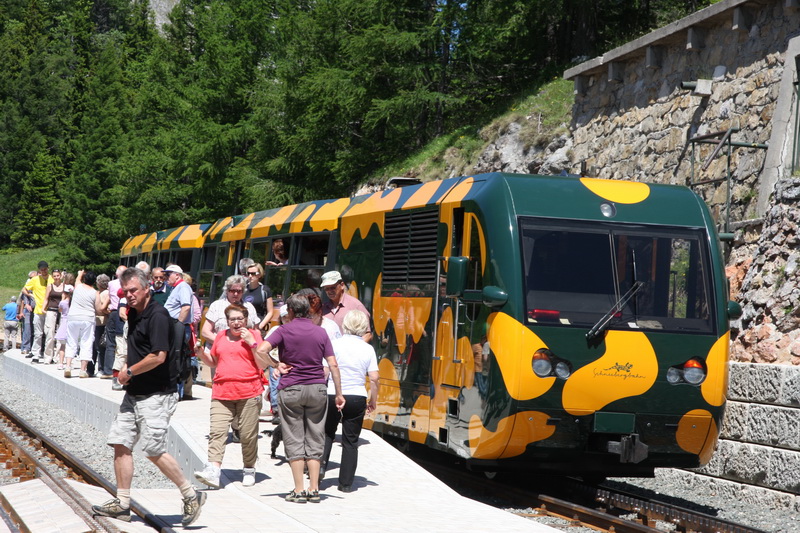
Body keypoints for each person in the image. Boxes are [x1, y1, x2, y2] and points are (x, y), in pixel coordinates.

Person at [91, 267, 206, 526]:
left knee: (154, 450)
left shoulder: (158, 315)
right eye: (126, 291)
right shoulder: (134, 311)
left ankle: (191, 494)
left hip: (157, 394)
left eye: (134, 290)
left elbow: (159, 356)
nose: (129, 295)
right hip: (134, 392)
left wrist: (128, 371)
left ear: (147, 289)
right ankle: (122, 504)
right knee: (120, 443)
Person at [254, 294, 345, 504]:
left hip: (292, 389)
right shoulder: (320, 332)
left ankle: (298, 490)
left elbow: (261, 350)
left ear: (291, 312)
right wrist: (338, 393)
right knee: (315, 437)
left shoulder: (284, 330)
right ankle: (315, 489)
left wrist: (277, 365)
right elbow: (333, 365)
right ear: (309, 311)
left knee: (294, 438)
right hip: (317, 390)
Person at [193, 304, 264, 489]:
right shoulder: (221, 337)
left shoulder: (254, 335)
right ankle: (213, 471)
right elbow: (214, 361)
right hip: (222, 392)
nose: (236, 322)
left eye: (240, 318)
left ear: (246, 320)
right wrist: (202, 354)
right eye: (232, 319)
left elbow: (262, 364)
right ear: (227, 321)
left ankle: (249, 468)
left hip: (249, 391)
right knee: (217, 432)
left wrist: (252, 343)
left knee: (248, 435)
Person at [320, 310, 379, 492]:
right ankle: (345, 484)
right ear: (363, 328)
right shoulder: (368, 349)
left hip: (332, 393)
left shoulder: (334, 344)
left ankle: (319, 468)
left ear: (344, 325)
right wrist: (373, 400)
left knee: (327, 433)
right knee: (350, 441)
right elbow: (374, 378)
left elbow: (325, 371)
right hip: (357, 396)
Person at [163, 264, 194, 400]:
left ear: (177, 275)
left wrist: (179, 325)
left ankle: (177, 392)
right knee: (175, 357)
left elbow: (186, 307)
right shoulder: (178, 288)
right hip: (175, 326)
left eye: (168, 274)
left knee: (178, 357)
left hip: (178, 327)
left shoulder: (182, 287)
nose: (165, 278)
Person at [64, 270, 101, 378]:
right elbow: (98, 309)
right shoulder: (95, 293)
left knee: (71, 341)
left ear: (84, 279)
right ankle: (82, 370)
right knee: (87, 342)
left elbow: (77, 279)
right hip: (88, 318)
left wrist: (81, 273)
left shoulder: (78, 286)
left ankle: (67, 366)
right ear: (94, 282)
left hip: (73, 316)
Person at [320, 271, 372, 342]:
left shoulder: (356, 306)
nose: (329, 291)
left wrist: (351, 350)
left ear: (342, 285)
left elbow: (367, 334)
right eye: (326, 289)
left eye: (332, 287)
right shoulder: (322, 309)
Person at [22, 261, 54, 361]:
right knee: (38, 333)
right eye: (42, 269)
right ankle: (36, 353)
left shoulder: (52, 278)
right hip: (38, 309)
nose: (44, 271)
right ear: (39, 270)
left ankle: (48, 355)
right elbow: (24, 289)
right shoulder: (35, 279)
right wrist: (31, 295)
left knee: (49, 334)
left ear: (48, 268)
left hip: (49, 310)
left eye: (45, 269)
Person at [105, 265, 127, 388]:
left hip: (113, 312)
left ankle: (108, 370)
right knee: (121, 347)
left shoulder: (111, 283)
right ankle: (116, 376)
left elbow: (109, 297)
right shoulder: (125, 288)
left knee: (112, 344)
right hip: (119, 315)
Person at [42, 268, 66, 363]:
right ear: (52, 277)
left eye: (58, 276)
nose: (56, 278)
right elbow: (46, 298)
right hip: (51, 310)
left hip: (61, 311)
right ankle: (48, 356)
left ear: (60, 276)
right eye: (54, 276)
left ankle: (58, 357)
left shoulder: (64, 286)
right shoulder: (50, 286)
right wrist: (43, 308)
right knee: (50, 334)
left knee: (60, 335)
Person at [243, 263, 275, 331]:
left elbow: (270, 312)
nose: (250, 276)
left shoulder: (265, 290)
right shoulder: (243, 289)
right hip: (242, 326)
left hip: (258, 326)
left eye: (253, 273)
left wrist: (260, 326)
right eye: (248, 273)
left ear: (259, 274)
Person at [94, 274, 111, 378]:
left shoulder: (104, 293)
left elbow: (102, 308)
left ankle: (101, 368)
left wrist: (104, 312)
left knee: (100, 346)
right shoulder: (104, 292)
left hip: (102, 322)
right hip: (101, 321)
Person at [17, 272, 36, 355]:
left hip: (36, 309)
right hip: (27, 310)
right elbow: (22, 300)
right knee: (27, 328)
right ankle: (25, 347)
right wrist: (21, 312)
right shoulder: (27, 285)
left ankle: (32, 347)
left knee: (34, 329)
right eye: (30, 277)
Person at [55, 286, 72, 370]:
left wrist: (62, 299)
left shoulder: (63, 302)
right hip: (72, 323)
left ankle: (61, 363)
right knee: (71, 345)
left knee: (63, 345)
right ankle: (69, 363)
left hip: (64, 322)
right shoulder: (73, 303)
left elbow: (60, 310)